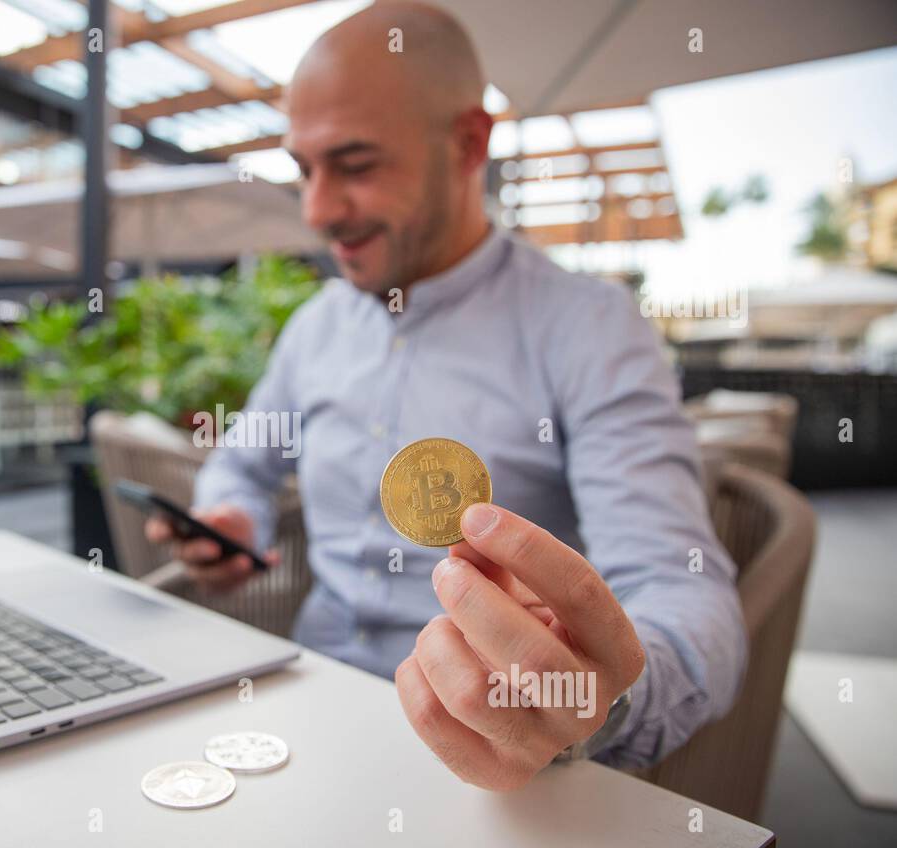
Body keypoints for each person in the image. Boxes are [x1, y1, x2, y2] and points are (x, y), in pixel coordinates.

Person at [145, 2, 745, 789]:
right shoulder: (315, 328)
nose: (318, 211)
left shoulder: (587, 328)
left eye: (355, 164)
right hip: (298, 720)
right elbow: (242, 466)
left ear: (469, 144)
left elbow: (685, 589)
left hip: (491, 766)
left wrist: (597, 698)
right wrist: (232, 520)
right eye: (304, 169)